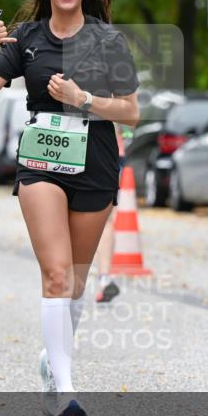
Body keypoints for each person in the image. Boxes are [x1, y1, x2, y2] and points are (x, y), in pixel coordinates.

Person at [0, 0, 139, 416]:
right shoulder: (25, 38)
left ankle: (51, 360)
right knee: (57, 276)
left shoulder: (109, 41)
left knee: (78, 284)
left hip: (96, 160)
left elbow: (130, 110)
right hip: (42, 160)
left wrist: (84, 98)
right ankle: (63, 392)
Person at [94, 123, 131, 303]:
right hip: (113, 151)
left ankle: (67, 277)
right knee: (105, 218)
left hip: (83, 148)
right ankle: (104, 278)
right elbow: (130, 121)